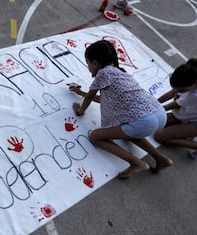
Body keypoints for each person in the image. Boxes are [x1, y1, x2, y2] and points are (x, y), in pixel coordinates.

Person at [70, 40, 173, 179]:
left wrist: (80, 111)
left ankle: (137, 163)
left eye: (88, 63)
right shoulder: (119, 73)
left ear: (95, 63)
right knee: (128, 132)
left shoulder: (102, 74)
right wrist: (81, 92)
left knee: (96, 137)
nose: (88, 67)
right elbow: (104, 99)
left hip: (143, 122)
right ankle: (162, 159)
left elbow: (90, 98)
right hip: (159, 113)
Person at [154, 59, 197, 159]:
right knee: (159, 121)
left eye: (181, 89)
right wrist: (154, 102)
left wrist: (151, 108)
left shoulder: (194, 95)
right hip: (189, 115)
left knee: (159, 136)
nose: (177, 90)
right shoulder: (189, 75)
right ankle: (186, 130)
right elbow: (172, 92)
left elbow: (173, 105)